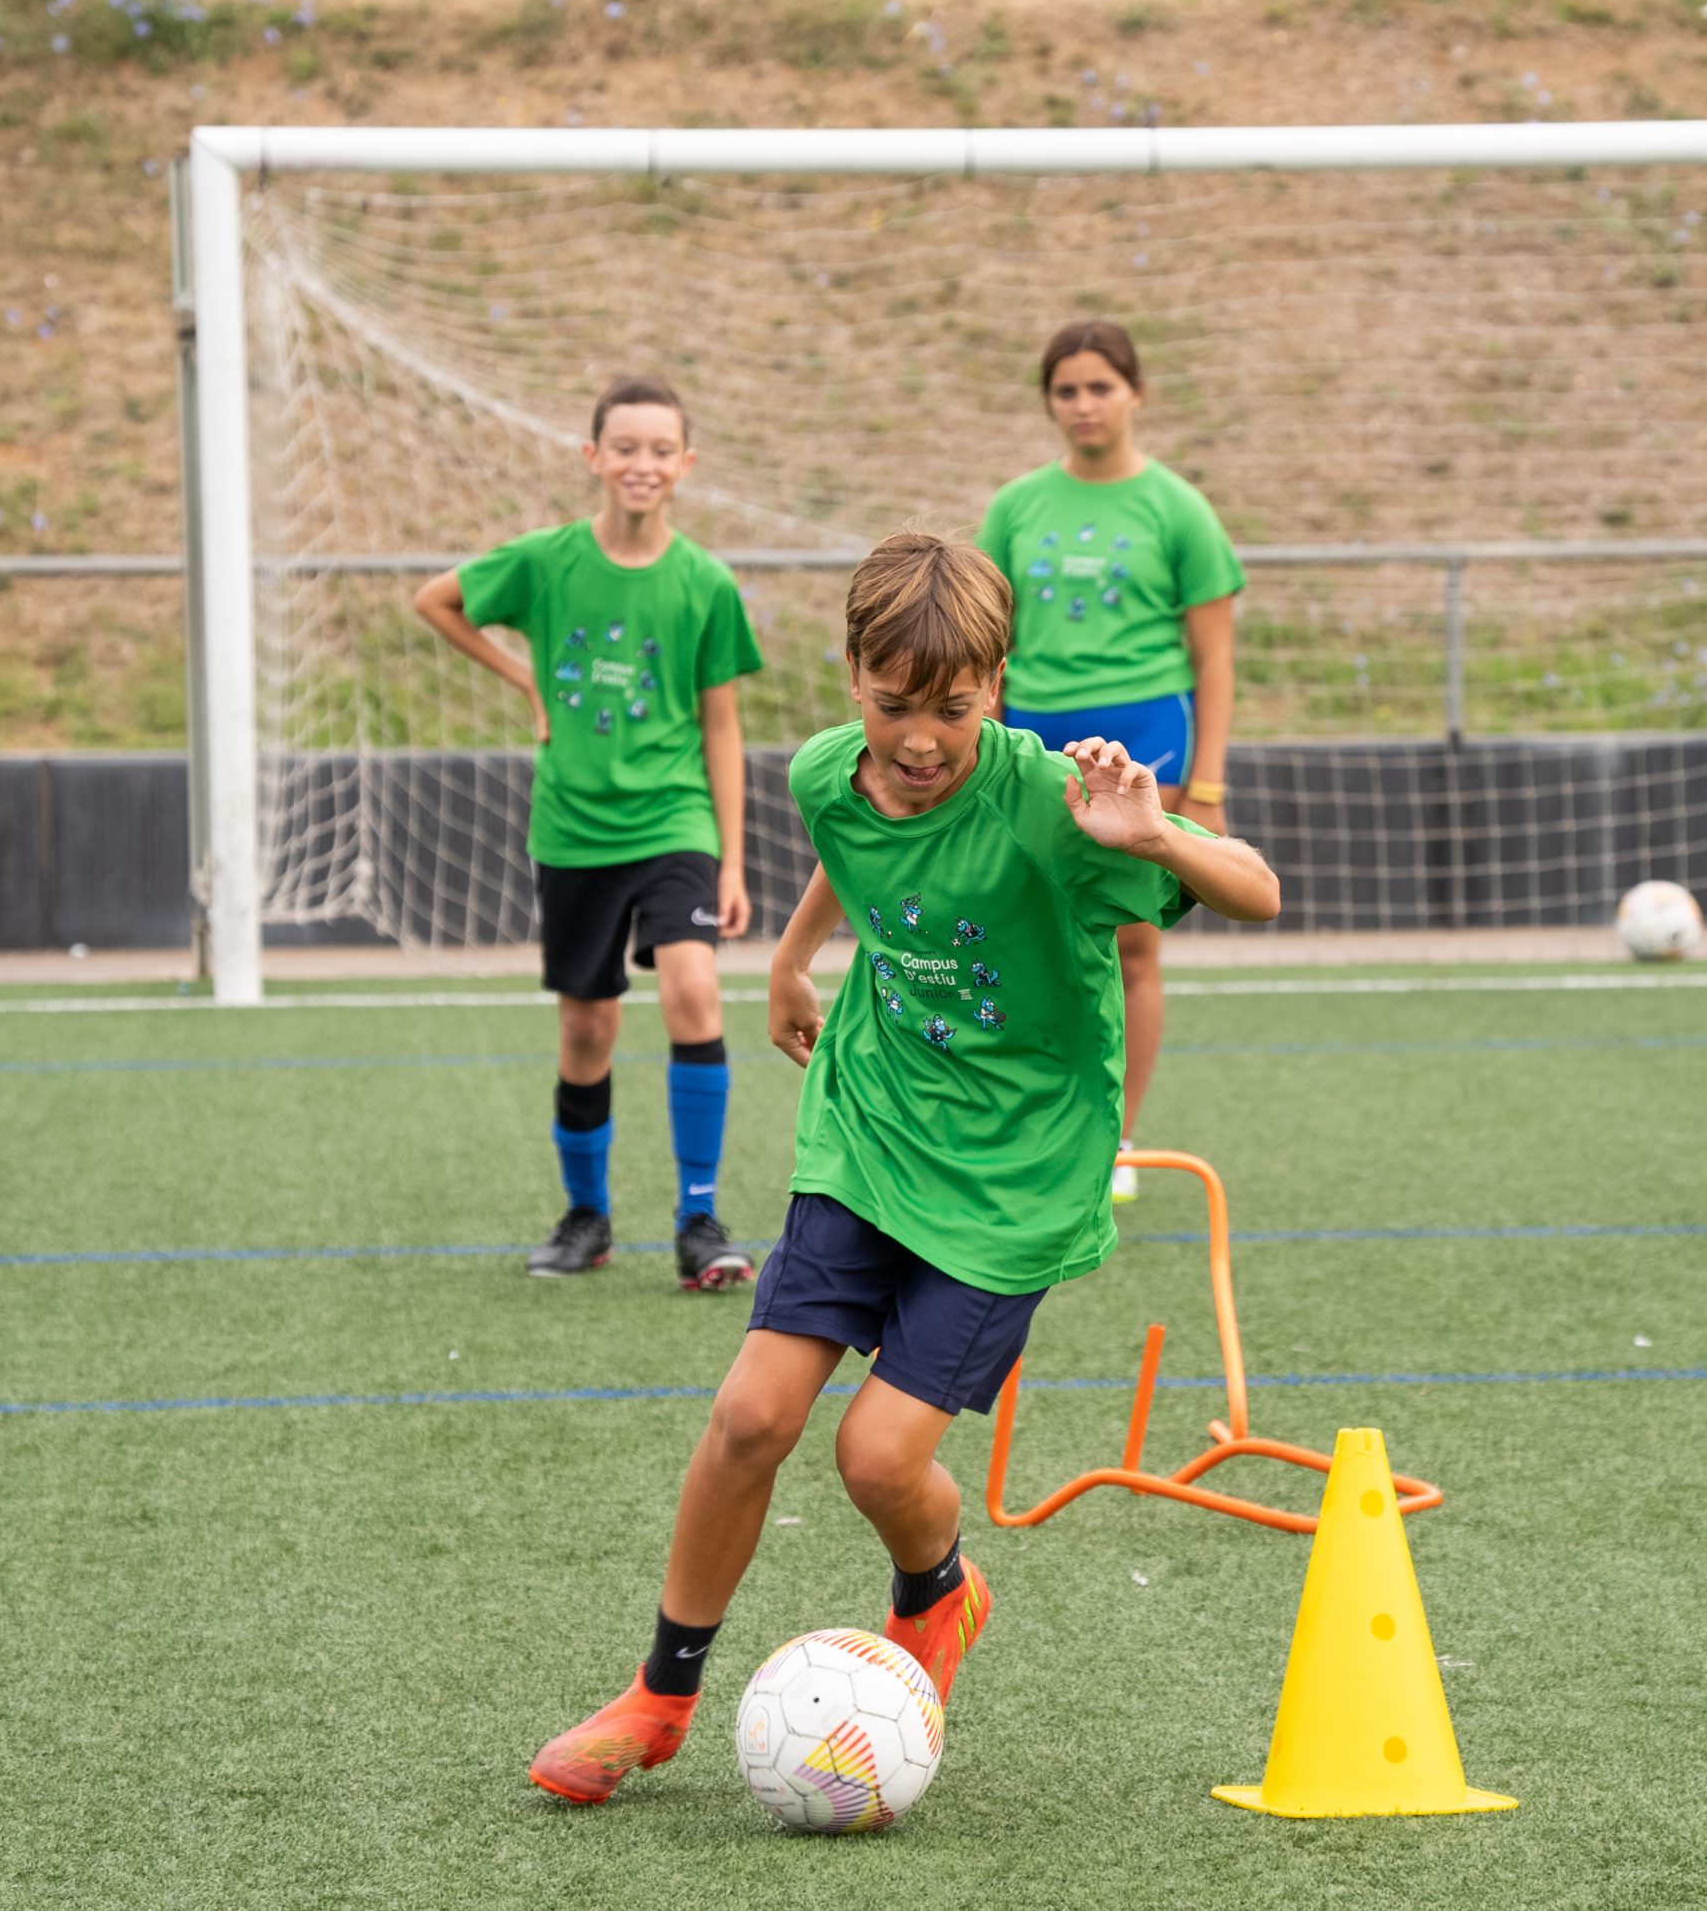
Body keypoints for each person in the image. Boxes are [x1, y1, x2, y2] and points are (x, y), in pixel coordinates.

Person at [526, 532, 1281, 1806]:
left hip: (1013, 1179)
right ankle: (658, 1696)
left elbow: (1258, 889)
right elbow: (857, 848)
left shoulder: (1060, 805)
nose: (920, 740)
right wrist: (791, 957)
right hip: (870, 1128)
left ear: (998, 684)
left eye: (954, 708)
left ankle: (937, 1589)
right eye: (892, 706)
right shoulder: (828, 770)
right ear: (851, 676)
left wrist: (1157, 837)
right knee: (751, 1416)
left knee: (876, 1458)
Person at [413, 377, 765, 1292]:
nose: (642, 464)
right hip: (573, 830)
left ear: (686, 464)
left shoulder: (705, 583)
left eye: (661, 449)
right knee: (586, 1027)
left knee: (695, 990)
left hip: (675, 819)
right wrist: (525, 678)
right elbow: (435, 600)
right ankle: (586, 1216)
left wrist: (731, 859)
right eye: (625, 447)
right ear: (592, 456)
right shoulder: (547, 561)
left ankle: (699, 1219)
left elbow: (722, 725)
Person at [976, 320, 1245, 1204]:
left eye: (1100, 387)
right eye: (1066, 390)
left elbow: (1214, 660)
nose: (1083, 404)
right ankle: (1030, 1123)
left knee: (1131, 943)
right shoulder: (1015, 508)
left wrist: (1206, 785)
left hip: (1148, 734)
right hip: (1038, 737)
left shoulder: (1178, 508)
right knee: (1025, 934)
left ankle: (1117, 1141)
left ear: (1136, 393)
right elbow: (984, 647)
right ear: (1047, 402)